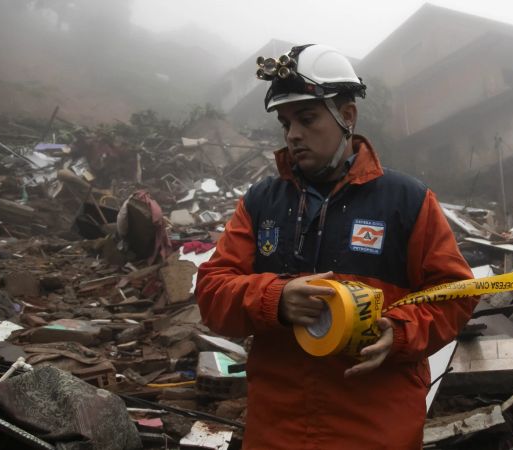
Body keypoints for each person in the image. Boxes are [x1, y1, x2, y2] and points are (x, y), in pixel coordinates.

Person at [195, 44, 476, 449]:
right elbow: (211, 291)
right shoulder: (261, 203)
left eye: (307, 119)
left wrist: (399, 333)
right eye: (285, 122)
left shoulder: (406, 201)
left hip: (376, 429)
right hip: (276, 430)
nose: (293, 134)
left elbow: (455, 295)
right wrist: (274, 299)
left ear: (347, 117)